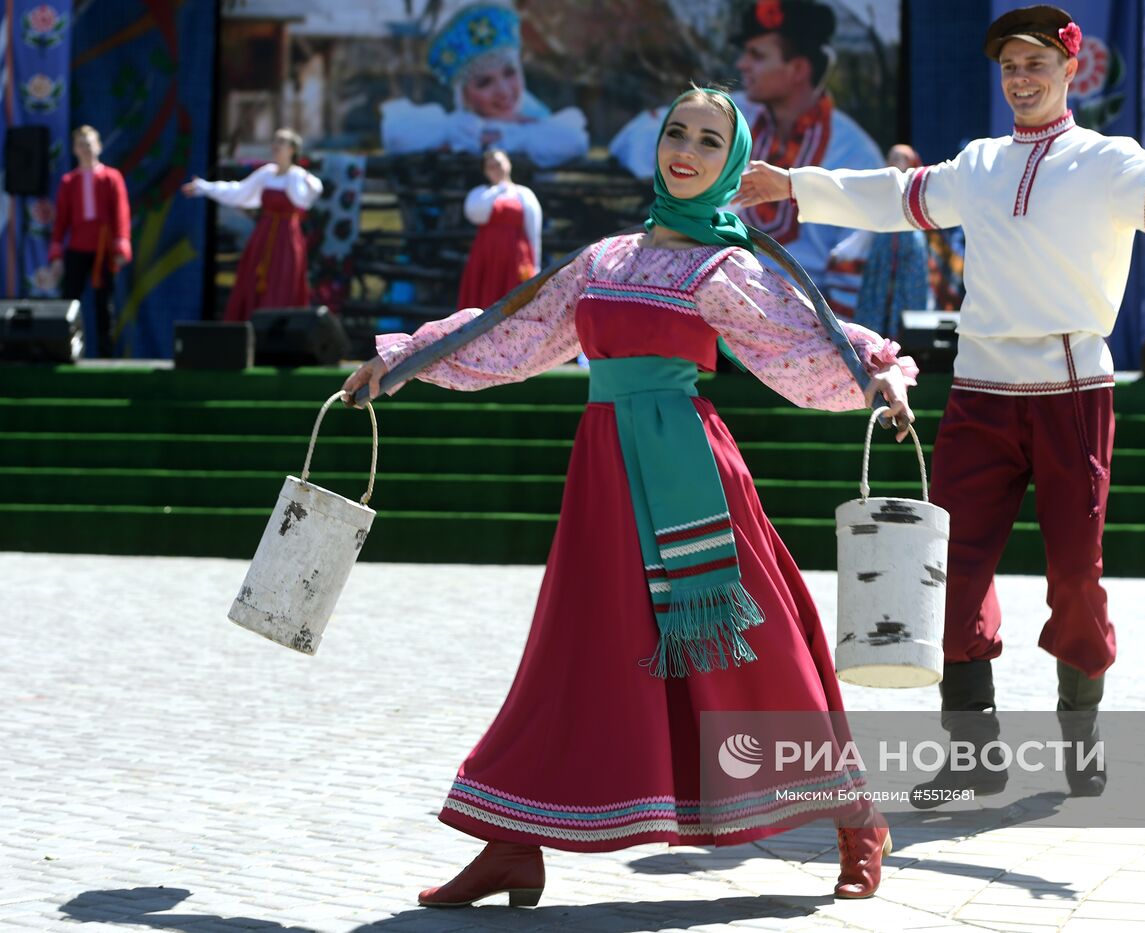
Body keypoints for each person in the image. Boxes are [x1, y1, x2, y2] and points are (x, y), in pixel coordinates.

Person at [342, 88, 917, 907]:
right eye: (676, 132)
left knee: (762, 648)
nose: (686, 149)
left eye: (710, 141)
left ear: (732, 162)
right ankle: (512, 843)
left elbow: (801, 339)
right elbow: (511, 332)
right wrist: (398, 362)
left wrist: (880, 375)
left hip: (692, 476)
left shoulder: (726, 266)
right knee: (571, 650)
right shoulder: (603, 260)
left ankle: (856, 816)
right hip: (606, 475)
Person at [738, 4, 1145, 798]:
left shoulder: (1106, 162)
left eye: (1035, 65)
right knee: (952, 575)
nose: (1020, 79)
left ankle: (1080, 737)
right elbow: (896, 194)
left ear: (1069, 71)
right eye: (1010, 67)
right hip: (981, 392)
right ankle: (972, 757)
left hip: (1071, 389)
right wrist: (796, 184)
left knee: (1076, 576)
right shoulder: (979, 163)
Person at [609, 1, 882, 316]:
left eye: (757, 55)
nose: (742, 65)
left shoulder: (854, 152)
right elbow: (630, 140)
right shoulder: (735, 117)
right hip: (708, 303)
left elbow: (853, 266)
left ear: (798, 70)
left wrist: (828, 343)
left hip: (800, 320)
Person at [379, 2, 587, 169]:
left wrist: (506, 136)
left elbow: (575, 142)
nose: (504, 91)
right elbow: (396, 135)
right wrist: (469, 135)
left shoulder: (543, 126)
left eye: (509, 73)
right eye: (484, 82)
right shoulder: (456, 128)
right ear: (464, 95)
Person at [182, 128, 323, 323]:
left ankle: (281, 333)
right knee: (253, 280)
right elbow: (239, 191)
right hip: (264, 237)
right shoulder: (266, 174)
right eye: (275, 141)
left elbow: (304, 200)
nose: (276, 146)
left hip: (286, 239)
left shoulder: (297, 176)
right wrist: (203, 187)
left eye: (282, 142)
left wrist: (300, 177)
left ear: (292, 149)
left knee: (282, 280)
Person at [826, 144, 934, 334]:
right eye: (892, 157)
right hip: (881, 269)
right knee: (875, 315)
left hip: (909, 266)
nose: (895, 161)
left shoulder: (921, 195)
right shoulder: (882, 193)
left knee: (908, 323)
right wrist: (841, 253)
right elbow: (866, 231)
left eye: (901, 158)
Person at [49, 126, 131, 358]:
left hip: (103, 251)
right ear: (75, 149)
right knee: (70, 302)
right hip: (77, 248)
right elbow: (61, 220)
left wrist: (121, 245)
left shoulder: (111, 178)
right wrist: (56, 255)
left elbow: (121, 214)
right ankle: (63, 349)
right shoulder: (69, 181)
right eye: (80, 145)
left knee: (104, 304)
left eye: (89, 144)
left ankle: (106, 356)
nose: (85, 149)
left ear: (98, 146)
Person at [457, 148, 542, 310]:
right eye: (490, 166)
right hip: (487, 255)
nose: (496, 169)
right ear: (485, 171)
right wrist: (495, 191)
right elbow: (475, 214)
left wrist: (535, 264)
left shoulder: (524, 194)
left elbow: (533, 231)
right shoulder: (480, 193)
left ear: (508, 164)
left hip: (516, 256)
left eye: (498, 164)